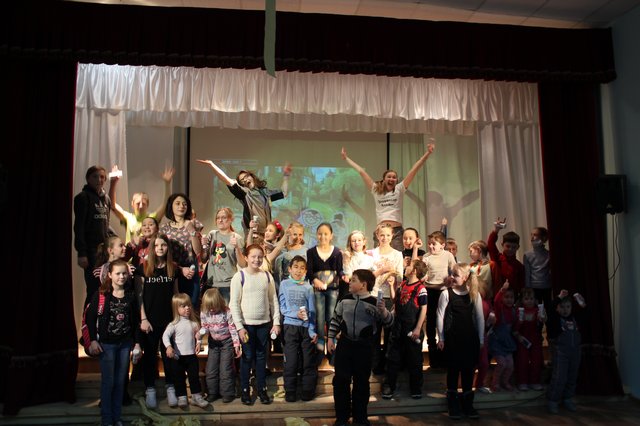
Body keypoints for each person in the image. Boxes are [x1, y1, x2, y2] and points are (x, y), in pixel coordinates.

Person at [327, 269, 393, 426]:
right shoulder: (345, 299)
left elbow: (389, 322)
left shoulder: (374, 303)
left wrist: (383, 311)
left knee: (362, 383)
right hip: (345, 345)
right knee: (341, 381)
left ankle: (360, 417)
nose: (350, 282)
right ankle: (342, 417)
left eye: (353, 280)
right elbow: (335, 319)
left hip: (364, 347)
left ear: (363, 285)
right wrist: (330, 338)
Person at [340, 142, 435, 250]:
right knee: (379, 257)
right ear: (384, 179)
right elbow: (362, 172)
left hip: (396, 232)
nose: (391, 179)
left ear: (396, 180)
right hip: (381, 231)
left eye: (394, 177)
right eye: (389, 177)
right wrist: (346, 159)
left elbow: (414, 170)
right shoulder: (376, 190)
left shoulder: (399, 189)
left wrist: (428, 153)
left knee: (397, 257)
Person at [85, 260, 141, 426]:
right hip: (107, 345)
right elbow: (90, 318)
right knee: (108, 382)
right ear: (109, 275)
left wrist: (137, 343)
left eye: (124, 273)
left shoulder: (130, 295)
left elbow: (135, 322)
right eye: (117, 273)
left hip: (125, 345)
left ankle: (117, 418)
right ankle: (107, 420)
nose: (121, 276)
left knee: (120, 382)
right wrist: (93, 340)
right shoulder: (101, 294)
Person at [229, 244, 280, 405]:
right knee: (247, 357)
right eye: (253, 256)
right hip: (246, 326)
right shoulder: (239, 276)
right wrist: (240, 327)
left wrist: (276, 322)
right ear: (246, 257)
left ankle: (261, 389)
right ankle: (245, 390)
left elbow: (273, 301)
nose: (257, 260)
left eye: (260, 257)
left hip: (264, 325)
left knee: (261, 357)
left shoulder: (267, 276)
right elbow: (234, 304)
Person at [134, 234, 179, 409]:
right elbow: (139, 297)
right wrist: (143, 318)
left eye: (163, 245)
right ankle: (150, 389)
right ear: (151, 248)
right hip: (149, 321)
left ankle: (170, 387)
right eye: (157, 245)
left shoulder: (172, 268)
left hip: (168, 320)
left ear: (168, 248)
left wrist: (176, 319)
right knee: (150, 356)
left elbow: (176, 294)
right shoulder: (143, 268)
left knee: (169, 355)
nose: (160, 248)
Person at [197, 159, 291, 240]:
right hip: (254, 235)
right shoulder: (245, 193)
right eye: (242, 180)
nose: (245, 180)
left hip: (267, 234)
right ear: (242, 184)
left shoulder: (264, 192)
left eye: (246, 176)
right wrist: (211, 164)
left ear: (252, 177)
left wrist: (286, 175)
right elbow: (226, 179)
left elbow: (284, 193)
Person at [436, 263, 484, 419]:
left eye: (455, 275)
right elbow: (440, 316)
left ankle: (468, 404)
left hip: (469, 339)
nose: (452, 277)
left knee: (468, 371)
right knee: (453, 371)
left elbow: (480, 317)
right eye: (452, 274)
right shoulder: (446, 294)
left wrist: (481, 339)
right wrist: (441, 337)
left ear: (465, 277)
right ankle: (453, 404)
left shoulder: (474, 294)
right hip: (452, 339)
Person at [382, 259, 427, 400]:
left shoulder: (421, 289)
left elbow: (424, 309)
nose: (405, 267)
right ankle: (389, 386)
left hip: (412, 328)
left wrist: (418, 328)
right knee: (392, 358)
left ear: (414, 271)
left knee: (414, 359)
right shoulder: (402, 285)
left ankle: (416, 388)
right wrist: (391, 286)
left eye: (408, 266)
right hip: (398, 327)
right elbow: (395, 300)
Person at [278, 256, 318, 402]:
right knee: (291, 361)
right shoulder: (284, 284)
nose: (298, 271)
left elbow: (312, 311)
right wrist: (295, 314)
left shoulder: (308, 287)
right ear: (289, 269)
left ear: (305, 271)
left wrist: (312, 330)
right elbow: (282, 307)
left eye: (302, 268)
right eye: (295, 267)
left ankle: (308, 390)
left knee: (308, 361)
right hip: (290, 327)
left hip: (306, 328)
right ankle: (290, 390)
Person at [162, 293, 209, 409]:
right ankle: (182, 396)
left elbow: (198, 335)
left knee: (194, 377)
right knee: (179, 377)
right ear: (176, 308)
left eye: (188, 305)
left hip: (191, 356)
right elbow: (165, 336)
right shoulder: (173, 324)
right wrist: (168, 347)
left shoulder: (194, 323)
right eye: (183, 306)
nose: (187, 308)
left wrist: (199, 342)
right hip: (178, 357)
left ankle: (196, 396)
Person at [74, 165, 112, 309]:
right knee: (93, 289)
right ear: (88, 179)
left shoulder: (106, 199)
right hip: (91, 251)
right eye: (95, 176)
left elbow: (106, 224)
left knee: (104, 287)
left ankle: (101, 319)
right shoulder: (83, 198)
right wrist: (82, 253)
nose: (99, 180)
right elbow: (79, 227)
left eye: (102, 177)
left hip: (105, 251)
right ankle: (87, 320)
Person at [108, 164, 174, 243]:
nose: (141, 206)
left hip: (149, 250)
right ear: (132, 204)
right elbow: (112, 205)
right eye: (138, 203)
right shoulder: (128, 218)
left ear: (147, 205)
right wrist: (113, 182)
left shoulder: (152, 218)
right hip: (131, 250)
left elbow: (166, 204)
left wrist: (167, 183)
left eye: (144, 203)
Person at [306, 222, 344, 356]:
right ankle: (320, 344)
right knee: (319, 317)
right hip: (317, 290)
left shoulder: (337, 252)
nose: (323, 236)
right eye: (320, 234)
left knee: (331, 316)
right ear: (316, 235)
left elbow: (339, 270)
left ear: (331, 235)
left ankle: (332, 343)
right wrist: (315, 280)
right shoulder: (311, 252)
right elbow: (309, 272)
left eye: (326, 234)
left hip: (333, 289)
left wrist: (344, 276)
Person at [420, 230, 456, 369]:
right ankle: (433, 354)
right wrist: (423, 277)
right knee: (430, 322)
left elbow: (454, 270)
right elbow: (422, 273)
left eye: (434, 244)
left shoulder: (448, 255)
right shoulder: (426, 257)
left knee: (445, 320)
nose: (431, 246)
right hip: (430, 290)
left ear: (442, 245)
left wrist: (451, 279)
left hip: (443, 291)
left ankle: (445, 353)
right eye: (429, 244)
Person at [546, 290, 586, 414]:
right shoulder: (556, 320)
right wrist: (559, 298)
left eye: (568, 307)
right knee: (559, 377)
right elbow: (550, 310)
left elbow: (585, 314)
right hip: (561, 353)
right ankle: (553, 400)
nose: (565, 310)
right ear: (557, 308)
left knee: (572, 377)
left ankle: (567, 398)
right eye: (562, 307)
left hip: (575, 353)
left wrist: (582, 305)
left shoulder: (575, 319)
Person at [200, 287, 242, 404]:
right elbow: (205, 327)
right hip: (213, 343)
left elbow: (232, 329)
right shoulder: (205, 312)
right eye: (209, 307)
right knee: (211, 369)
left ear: (219, 302)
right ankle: (212, 392)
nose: (211, 309)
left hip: (226, 342)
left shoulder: (226, 312)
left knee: (225, 369)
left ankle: (227, 393)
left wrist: (236, 345)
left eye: (213, 306)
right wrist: (200, 336)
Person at [160, 193, 203, 306]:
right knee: (175, 306)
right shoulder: (164, 228)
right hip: (172, 270)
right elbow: (162, 253)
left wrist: (191, 230)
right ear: (171, 206)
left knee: (191, 305)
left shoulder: (194, 223)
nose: (181, 206)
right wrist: (180, 269)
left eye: (184, 204)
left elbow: (198, 251)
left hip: (191, 270)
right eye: (178, 203)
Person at [200, 207, 246, 304]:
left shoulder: (237, 238)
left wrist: (236, 248)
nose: (220, 220)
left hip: (227, 285)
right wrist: (204, 246)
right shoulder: (212, 234)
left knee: (226, 312)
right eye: (218, 218)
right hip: (211, 284)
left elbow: (243, 264)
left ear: (231, 219)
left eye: (224, 217)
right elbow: (203, 259)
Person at [513, 288, 545, 391]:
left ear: (535, 300)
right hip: (522, 339)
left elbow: (541, 323)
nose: (529, 301)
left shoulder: (538, 310)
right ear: (522, 300)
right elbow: (514, 329)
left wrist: (542, 319)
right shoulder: (518, 311)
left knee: (536, 361)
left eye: (531, 298)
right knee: (522, 361)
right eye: (526, 299)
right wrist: (519, 323)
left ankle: (535, 382)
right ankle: (522, 382)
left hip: (535, 339)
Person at [489, 281, 518, 392]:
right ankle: (495, 383)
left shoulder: (514, 311)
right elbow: (496, 301)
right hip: (497, 342)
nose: (509, 299)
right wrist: (502, 290)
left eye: (511, 297)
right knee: (501, 363)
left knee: (510, 365)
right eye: (506, 297)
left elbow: (515, 327)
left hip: (507, 342)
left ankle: (505, 382)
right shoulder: (499, 309)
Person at [488, 217, 524, 297]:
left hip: (513, 299)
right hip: (497, 297)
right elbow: (490, 244)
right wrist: (496, 230)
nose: (510, 249)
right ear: (502, 245)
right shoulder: (498, 258)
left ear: (518, 247)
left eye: (514, 247)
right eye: (508, 246)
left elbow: (521, 286)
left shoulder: (519, 266)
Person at [524, 226, 552, 311]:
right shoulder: (527, 255)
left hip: (547, 286)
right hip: (534, 288)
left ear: (543, 238)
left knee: (548, 309)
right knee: (536, 310)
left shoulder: (548, 254)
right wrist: (528, 289)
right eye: (531, 235)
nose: (532, 237)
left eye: (535, 235)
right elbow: (527, 273)